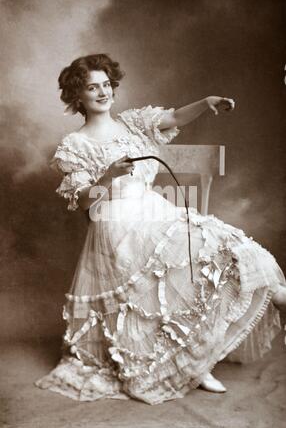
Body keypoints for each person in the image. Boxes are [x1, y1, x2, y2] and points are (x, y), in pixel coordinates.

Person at [35, 54, 286, 404]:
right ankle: (189, 365)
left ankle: (263, 305)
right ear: (78, 96)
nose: (103, 92)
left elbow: (174, 117)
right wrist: (108, 176)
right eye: (93, 87)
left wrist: (206, 102)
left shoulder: (134, 123)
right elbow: (82, 203)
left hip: (153, 209)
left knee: (219, 244)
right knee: (170, 279)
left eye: (107, 85)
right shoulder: (74, 146)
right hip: (116, 223)